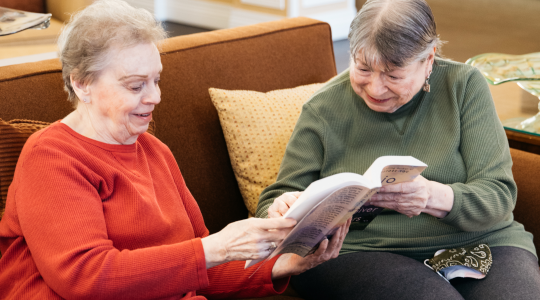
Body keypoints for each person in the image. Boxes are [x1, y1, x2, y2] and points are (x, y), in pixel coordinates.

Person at [0, 1, 351, 299]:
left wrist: (281, 265)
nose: (154, 97)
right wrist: (213, 248)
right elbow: (86, 276)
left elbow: (197, 268)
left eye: (156, 80)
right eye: (136, 85)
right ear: (81, 82)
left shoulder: (155, 151)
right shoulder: (51, 157)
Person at [255, 0, 540, 299]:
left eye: (393, 75)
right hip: (359, 252)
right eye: (363, 68)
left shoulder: (464, 86)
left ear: (428, 60)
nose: (375, 89)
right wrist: (280, 208)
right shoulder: (323, 108)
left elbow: (499, 197)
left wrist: (431, 196)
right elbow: (273, 202)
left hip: (481, 241)